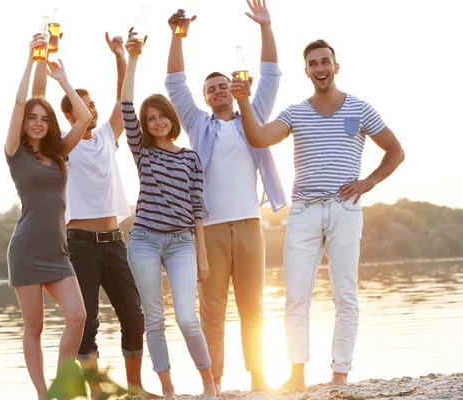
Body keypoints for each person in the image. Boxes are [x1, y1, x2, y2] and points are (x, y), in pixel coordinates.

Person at [230, 39, 405, 391]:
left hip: (344, 210)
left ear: (336, 67)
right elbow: (260, 138)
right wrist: (244, 100)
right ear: (306, 71)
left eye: (326, 61)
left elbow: (395, 151)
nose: (320, 68)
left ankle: (339, 374)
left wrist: (368, 182)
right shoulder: (296, 113)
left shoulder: (360, 109)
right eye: (313, 63)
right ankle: (296, 375)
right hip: (305, 211)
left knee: (346, 295)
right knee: (295, 295)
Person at [165, 0, 287, 392]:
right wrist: (177, 36)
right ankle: (213, 380)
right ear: (205, 98)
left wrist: (266, 27)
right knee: (211, 312)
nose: (219, 91)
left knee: (254, 309)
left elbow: (271, 75)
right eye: (211, 88)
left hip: (250, 225)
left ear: (233, 92)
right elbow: (174, 84)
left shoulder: (253, 114)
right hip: (209, 230)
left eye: (223, 86)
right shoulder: (198, 124)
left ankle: (259, 376)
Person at [32, 33, 155, 399]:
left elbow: (124, 100)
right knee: (87, 327)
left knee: (134, 316)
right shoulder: (61, 147)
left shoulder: (106, 136)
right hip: (81, 245)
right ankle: (99, 394)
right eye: (84, 105)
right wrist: (57, 77)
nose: (93, 110)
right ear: (69, 114)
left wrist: (120, 56)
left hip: (115, 241)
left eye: (93, 104)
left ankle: (133, 389)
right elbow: (46, 108)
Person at [121, 30, 217, 400]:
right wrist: (132, 58)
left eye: (162, 115)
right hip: (144, 240)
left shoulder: (190, 157)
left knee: (187, 318)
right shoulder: (142, 152)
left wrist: (202, 257)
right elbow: (126, 104)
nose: (157, 121)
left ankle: (209, 383)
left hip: (181, 243)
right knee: (155, 319)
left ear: (171, 118)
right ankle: (168, 390)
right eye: (151, 118)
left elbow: (197, 211)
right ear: (145, 125)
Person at [5, 34, 92, 400]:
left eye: (44, 119)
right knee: (34, 328)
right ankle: (43, 394)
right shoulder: (14, 152)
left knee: (78, 317)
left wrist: (63, 80)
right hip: (26, 251)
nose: (38, 123)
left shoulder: (59, 152)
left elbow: (85, 116)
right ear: (24, 124)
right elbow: (22, 99)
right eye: (32, 119)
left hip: (57, 253)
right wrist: (31, 59)